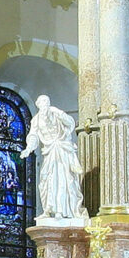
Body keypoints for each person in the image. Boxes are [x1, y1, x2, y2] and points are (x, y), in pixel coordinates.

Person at [21, 94, 85, 223]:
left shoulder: (56, 113)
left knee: (63, 179)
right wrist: (28, 149)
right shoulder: (36, 120)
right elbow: (33, 136)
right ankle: (48, 209)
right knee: (46, 180)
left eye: (47, 101)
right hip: (50, 152)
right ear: (38, 105)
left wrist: (60, 114)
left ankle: (61, 210)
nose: (45, 104)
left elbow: (70, 123)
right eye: (43, 102)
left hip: (62, 150)